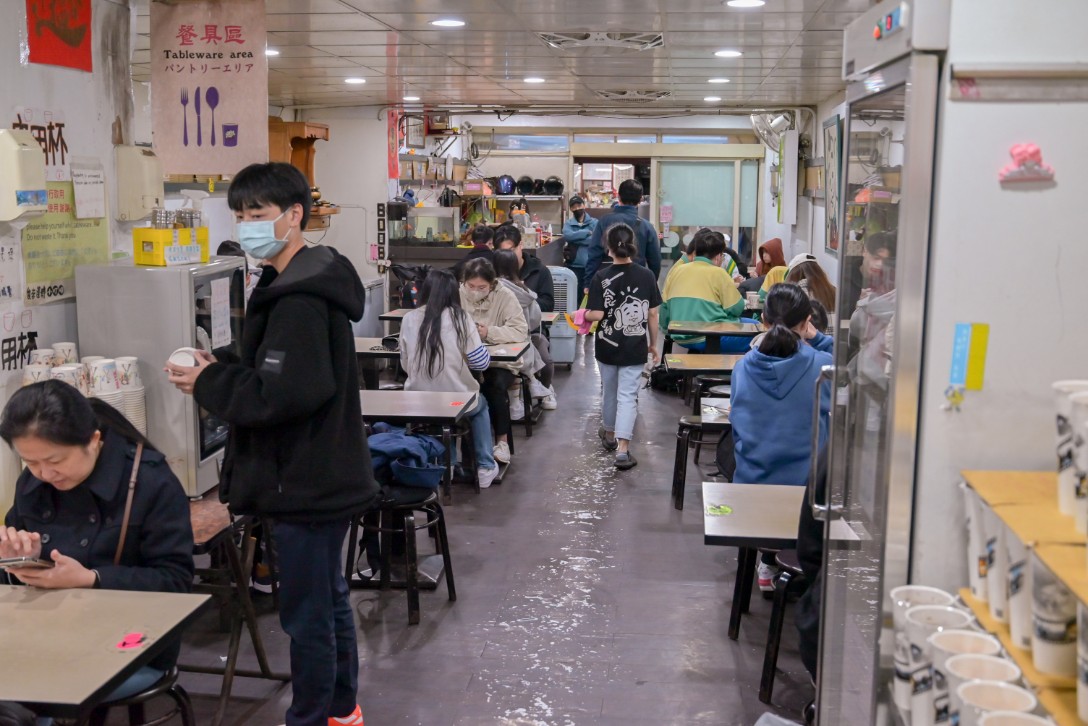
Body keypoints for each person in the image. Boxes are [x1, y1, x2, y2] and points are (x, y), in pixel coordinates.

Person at [164, 161, 378, 726]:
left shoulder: (300, 298)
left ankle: (309, 718)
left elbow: (282, 395)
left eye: (257, 215)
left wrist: (207, 382)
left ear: (293, 216)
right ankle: (341, 708)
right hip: (321, 473)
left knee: (307, 615)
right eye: (239, 215)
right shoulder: (301, 277)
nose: (248, 224)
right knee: (327, 601)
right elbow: (273, 367)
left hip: (304, 479)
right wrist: (224, 364)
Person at [0, 381, 194, 703]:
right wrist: (17, 560)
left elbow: (175, 582)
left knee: (33, 690)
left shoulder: (149, 481)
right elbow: (13, 571)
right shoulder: (32, 483)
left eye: (56, 460)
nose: (45, 473)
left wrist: (91, 579)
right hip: (42, 632)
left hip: (129, 640)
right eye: (31, 463)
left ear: (93, 440)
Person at [729, 283, 832, 591]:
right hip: (808, 500)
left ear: (763, 320)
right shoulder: (823, 367)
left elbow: (738, 426)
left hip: (750, 490)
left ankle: (766, 562)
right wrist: (819, 338)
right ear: (807, 322)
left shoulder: (742, 368)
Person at [399, 270, 501, 488]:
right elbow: (480, 363)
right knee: (480, 406)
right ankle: (484, 466)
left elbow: (404, 364)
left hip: (417, 400)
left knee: (437, 416)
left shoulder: (408, 318)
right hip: (456, 401)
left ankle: (447, 465)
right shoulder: (461, 318)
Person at [586, 224, 662, 470]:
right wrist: (653, 344)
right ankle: (623, 449)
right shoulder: (646, 275)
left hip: (607, 346)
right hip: (634, 345)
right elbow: (652, 313)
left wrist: (583, 315)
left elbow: (597, 314)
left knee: (609, 391)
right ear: (633, 246)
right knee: (628, 395)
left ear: (608, 248)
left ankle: (609, 435)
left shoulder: (601, 276)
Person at [460, 258, 530, 465]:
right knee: (461, 385)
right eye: (470, 286)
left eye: (481, 287)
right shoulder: (456, 293)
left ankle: (502, 442)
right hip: (464, 360)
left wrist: (488, 332)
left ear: (492, 284)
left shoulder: (505, 296)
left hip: (499, 361)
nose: (474, 291)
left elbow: (520, 331)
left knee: (494, 385)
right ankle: (466, 448)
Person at [660, 229, 747, 353]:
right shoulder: (719, 273)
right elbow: (737, 308)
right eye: (722, 255)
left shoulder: (676, 270)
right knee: (757, 332)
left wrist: (666, 330)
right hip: (707, 337)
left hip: (679, 337)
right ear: (718, 257)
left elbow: (664, 308)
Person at [493, 249, 557, 411]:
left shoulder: (488, 289)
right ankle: (528, 392)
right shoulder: (524, 293)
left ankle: (515, 400)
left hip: (492, 346)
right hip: (522, 347)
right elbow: (535, 319)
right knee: (536, 357)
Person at [583, 179, 661, 290]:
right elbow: (655, 260)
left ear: (619, 197)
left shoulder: (604, 221)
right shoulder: (647, 226)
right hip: (636, 283)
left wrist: (588, 283)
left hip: (607, 282)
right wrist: (650, 283)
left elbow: (594, 254)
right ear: (640, 199)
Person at [493, 224, 555, 313]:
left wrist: (523, 299)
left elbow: (548, 305)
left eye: (511, 250)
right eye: (503, 252)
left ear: (521, 245)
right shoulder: (491, 271)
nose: (509, 256)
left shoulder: (539, 271)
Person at [562, 194, 598, 292]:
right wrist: (586, 232)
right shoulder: (569, 223)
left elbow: (595, 239)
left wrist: (575, 239)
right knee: (574, 296)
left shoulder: (594, 222)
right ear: (571, 209)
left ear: (584, 205)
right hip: (573, 266)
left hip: (590, 267)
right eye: (574, 207)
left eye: (579, 205)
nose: (577, 208)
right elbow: (567, 236)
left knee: (589, 296)